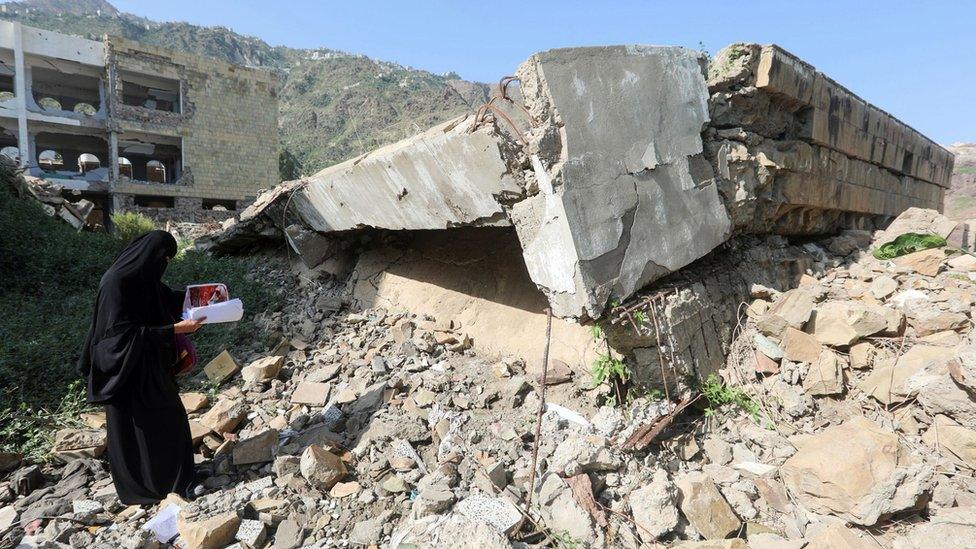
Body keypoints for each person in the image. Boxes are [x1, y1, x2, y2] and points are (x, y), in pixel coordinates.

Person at [77, 230, 206, 504]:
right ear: (149, 255)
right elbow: (117, 337)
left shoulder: (145, 280)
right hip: (124, 372)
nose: (165, 264)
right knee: (137, 431)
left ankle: (178, 480)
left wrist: (208, 298)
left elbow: (171, 298)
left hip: (150, 368)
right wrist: (174, 329)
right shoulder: (116, 283)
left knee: (171, 419)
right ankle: (143, 491)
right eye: (164, 258)